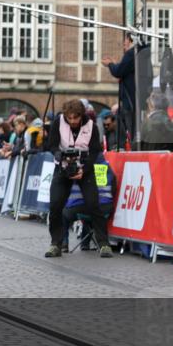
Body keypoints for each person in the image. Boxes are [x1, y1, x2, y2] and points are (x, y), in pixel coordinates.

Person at [44, 99, 110, 258]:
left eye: (76, 118)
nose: (72, 121)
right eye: (69, 118)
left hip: (85, 168)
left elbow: (95, 151)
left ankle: (104, 244)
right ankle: (56, 244)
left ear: (82, 115)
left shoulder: (91, 126)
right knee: (55, 205)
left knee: (94, 204)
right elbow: (51, 145)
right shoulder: (57, 122)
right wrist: (58, 154)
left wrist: (85, 170)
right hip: (63, 168)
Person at [59, 155, 115, 253]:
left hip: (84, 208)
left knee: (61, 211)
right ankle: (85, 244)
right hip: (106, 210)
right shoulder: (107, 167)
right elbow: (113, 188)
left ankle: (63, 243)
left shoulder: (79, 167)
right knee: (91, 210)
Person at [102, 33, 136, 148]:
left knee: (132, 131)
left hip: (130, 102)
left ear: (130, 40)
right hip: (132, 101)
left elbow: (119, 71)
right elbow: (122, 69)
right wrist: (115, 65)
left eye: (125, 41)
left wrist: (110, 64)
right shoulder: (137, 54)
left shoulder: (131, 54)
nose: (123, 45)